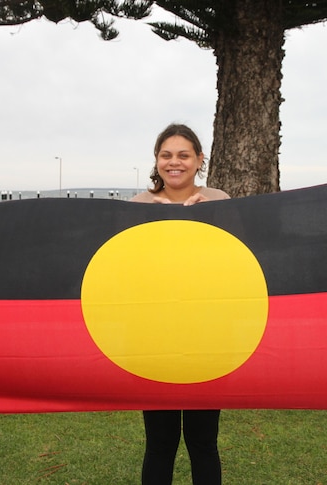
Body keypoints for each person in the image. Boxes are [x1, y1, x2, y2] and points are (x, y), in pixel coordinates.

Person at [131, 123, 229, 484]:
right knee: (160, 442)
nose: (175, 163)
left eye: (184, 155)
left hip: (207, 339)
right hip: (155, 340)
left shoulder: (217, 201)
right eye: (166, 155)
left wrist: (209, 222)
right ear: (156, 161)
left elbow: (240, 267)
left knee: (203, 441)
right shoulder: (139, 206)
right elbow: (124, 276)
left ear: (199, 160)